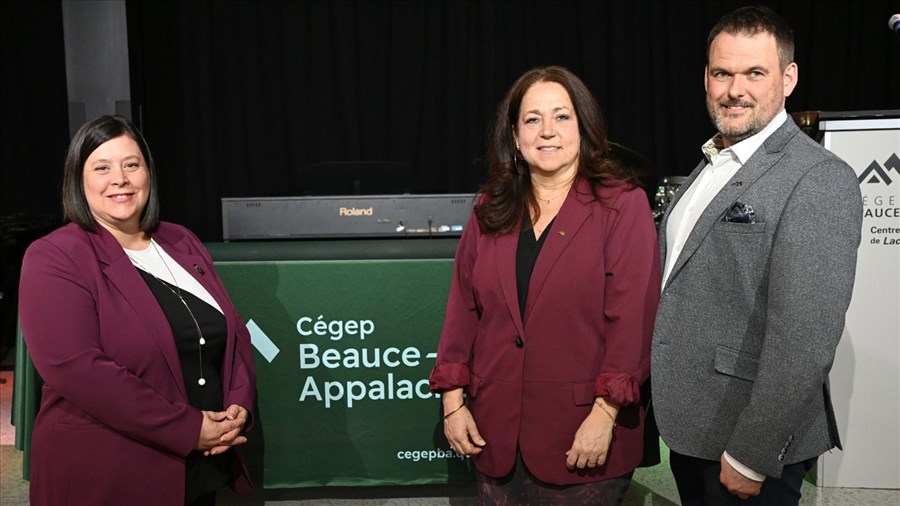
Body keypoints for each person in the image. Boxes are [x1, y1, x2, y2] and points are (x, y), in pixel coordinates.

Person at [651, 6, 863, 505]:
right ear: (706, 77)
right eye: (722, 73)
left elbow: (805, 338)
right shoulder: (712, 162)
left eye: (754, 74)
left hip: (746, 442)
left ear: (788, 79)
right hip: (695, 428)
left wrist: (752, 453)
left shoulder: (818, 178)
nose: (734, 89)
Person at [429, 65, 660, 504]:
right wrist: (453, 403)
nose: (547, 131)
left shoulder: (621, 205)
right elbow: (463, 311)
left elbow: (633, 321)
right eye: (532, 119)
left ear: (583, 127)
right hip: (494, 434)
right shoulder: (489, 208)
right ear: (515, 136)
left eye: (561, 116)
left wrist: (605, 415)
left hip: (583, 437)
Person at [18, 115, 257, 506]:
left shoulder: (181, 240)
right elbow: (77, 370)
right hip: (110, 471)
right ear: (78, 180)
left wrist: (237, 407)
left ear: (148, 173)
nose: (120, 179)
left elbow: (233, 334)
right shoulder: (56, 255)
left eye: (132, 164)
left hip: (201, 466)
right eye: (102, 167)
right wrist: (187, 428)